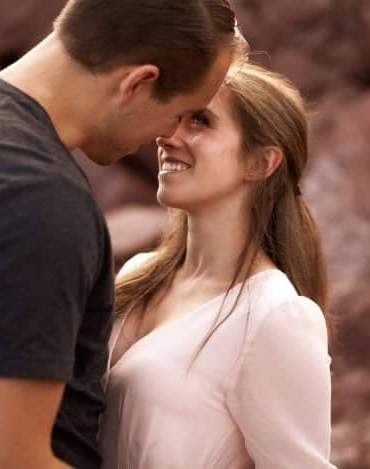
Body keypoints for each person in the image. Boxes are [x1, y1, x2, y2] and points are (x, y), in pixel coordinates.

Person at [0, 1, 246, 468]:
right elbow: (2, 461)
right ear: (137, 83)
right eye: (180, 113)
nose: (168, 136)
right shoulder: (30, 200)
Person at [99, 62, 337, 468]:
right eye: (176, 118)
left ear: (261, 163)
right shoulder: (137, 274)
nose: (167, 136)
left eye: (200, 122)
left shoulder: (273, 316)